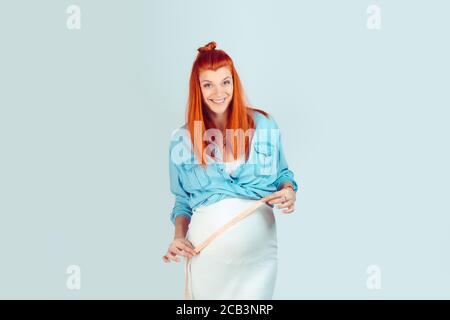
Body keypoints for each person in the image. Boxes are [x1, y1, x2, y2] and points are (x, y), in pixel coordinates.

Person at [162, 41, 299, 299]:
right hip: (208, 258)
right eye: (208, 84)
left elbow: (283, 176)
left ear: (234, 83)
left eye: (225, 82)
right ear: (197, 89)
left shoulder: (265, 125)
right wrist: (178, 236)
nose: (218, 92)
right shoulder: (182, 140)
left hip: (259, 262)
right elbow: (182, 201)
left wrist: (289, 191)